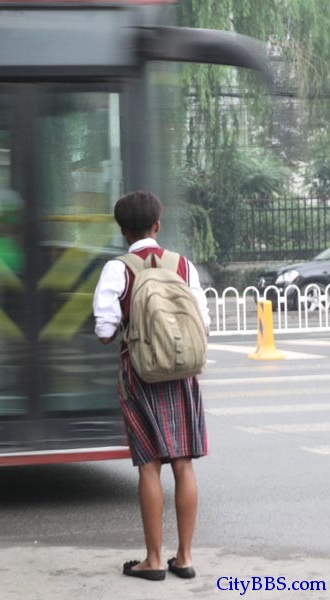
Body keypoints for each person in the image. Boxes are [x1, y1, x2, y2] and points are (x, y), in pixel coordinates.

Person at [92, 190, 209, 581]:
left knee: (149, 466)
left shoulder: (117, 269)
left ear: (123, 231)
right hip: (182, 373)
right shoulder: (183, 266)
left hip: (140, 373)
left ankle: (154, 560)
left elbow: (105, 332)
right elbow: (202, 323)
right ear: (158, 225)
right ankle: (185, 557)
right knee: (183, 463)